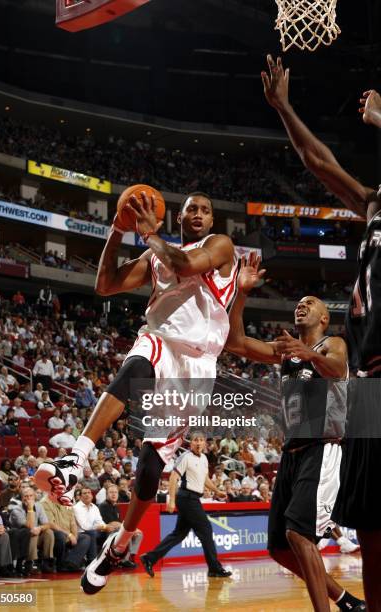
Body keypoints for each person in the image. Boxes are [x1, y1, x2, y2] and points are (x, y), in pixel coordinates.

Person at [34, 191, 237, 594]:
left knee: (149, 466)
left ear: (212, 220)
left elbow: (187, 264)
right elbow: (105, 284)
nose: (198, 214)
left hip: (196, 368)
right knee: (137, 361)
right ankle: (75, 461)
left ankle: (120, 543)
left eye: (205, 210)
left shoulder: (219, 246)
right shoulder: (156, 254)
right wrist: (117, 229)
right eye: (191, 209)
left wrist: (148, 235)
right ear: (176, 217)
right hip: (161, 340)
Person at [262, 54, 381, 608]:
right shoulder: (374, 204)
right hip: (368, 387)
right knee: (372, 525)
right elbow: (318, 161)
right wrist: (285, 108)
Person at [226, 252, 365, 612]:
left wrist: (307, 352)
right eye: (298, 304)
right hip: (292, 453)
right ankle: (346, 600)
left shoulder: (332, 344)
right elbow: (236, 343)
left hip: (324, 446)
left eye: (309, 303)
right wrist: (241, 294)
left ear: (323, 317)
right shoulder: (286, 352)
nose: (301, 306)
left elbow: (336, 370)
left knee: (299, 534)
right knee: (279, 547)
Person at [140, 432, 231, 578]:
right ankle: (214, 568)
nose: (199, 443)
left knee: (179, 534)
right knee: (206, 530)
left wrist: (217, 491)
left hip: (193, 498)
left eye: (201, 440)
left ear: (205, 444)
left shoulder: (204, 458)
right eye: (196, 440)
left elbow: (205, 478)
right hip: (187, 498)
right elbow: (173, 477)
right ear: (191, 443)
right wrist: (171, 500)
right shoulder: (186, 457)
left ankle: (149, 558)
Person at [99, 484, 143, 569]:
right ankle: (124, 561)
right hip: (108, 532)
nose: (114, 494)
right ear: (106, 494)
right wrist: (130, 529)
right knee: (127, 534)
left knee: (139, 534)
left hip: (117, 530)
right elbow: (112, 523)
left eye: (115, 492)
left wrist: (133, 529)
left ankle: (130, 557)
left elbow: (120, 523)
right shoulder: (103, 506)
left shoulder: (116, 506)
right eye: (111, 492)